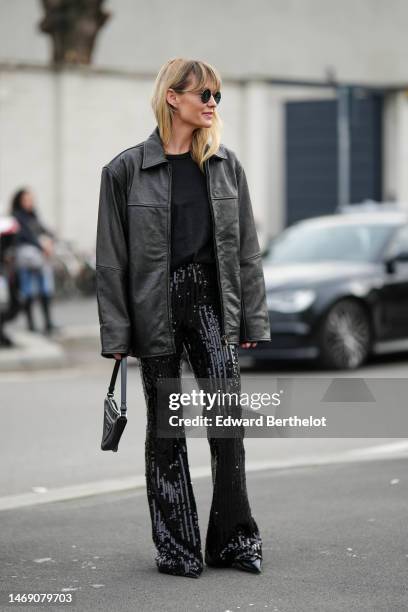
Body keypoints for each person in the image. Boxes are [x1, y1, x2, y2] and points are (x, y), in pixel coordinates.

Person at [96, 58, 271, 578]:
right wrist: (117, 332)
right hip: (155, 307)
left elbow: (247, 252)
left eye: (216, 95)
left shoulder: (225, 164)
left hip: (212, 302)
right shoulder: (125, 170)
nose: (212, 103)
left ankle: (235, 542)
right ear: (173, 98)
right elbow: (112, 261)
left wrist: (252, 321)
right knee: (166, 431)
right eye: (203, 94)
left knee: (227, 423)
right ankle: (177, 547)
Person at [11, 188, 57, 334]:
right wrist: (42, 246)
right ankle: (31, 325)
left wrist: (51, 238)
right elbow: (25, 236)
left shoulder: (34, 215)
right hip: (26, 258)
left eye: (31, 199)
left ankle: (48, 323)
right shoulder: (17, 216)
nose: (30, 202)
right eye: (26, 199)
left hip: (39, 256)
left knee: (45, 288)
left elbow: (43, 230)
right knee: (28, 290)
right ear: (20, 201)